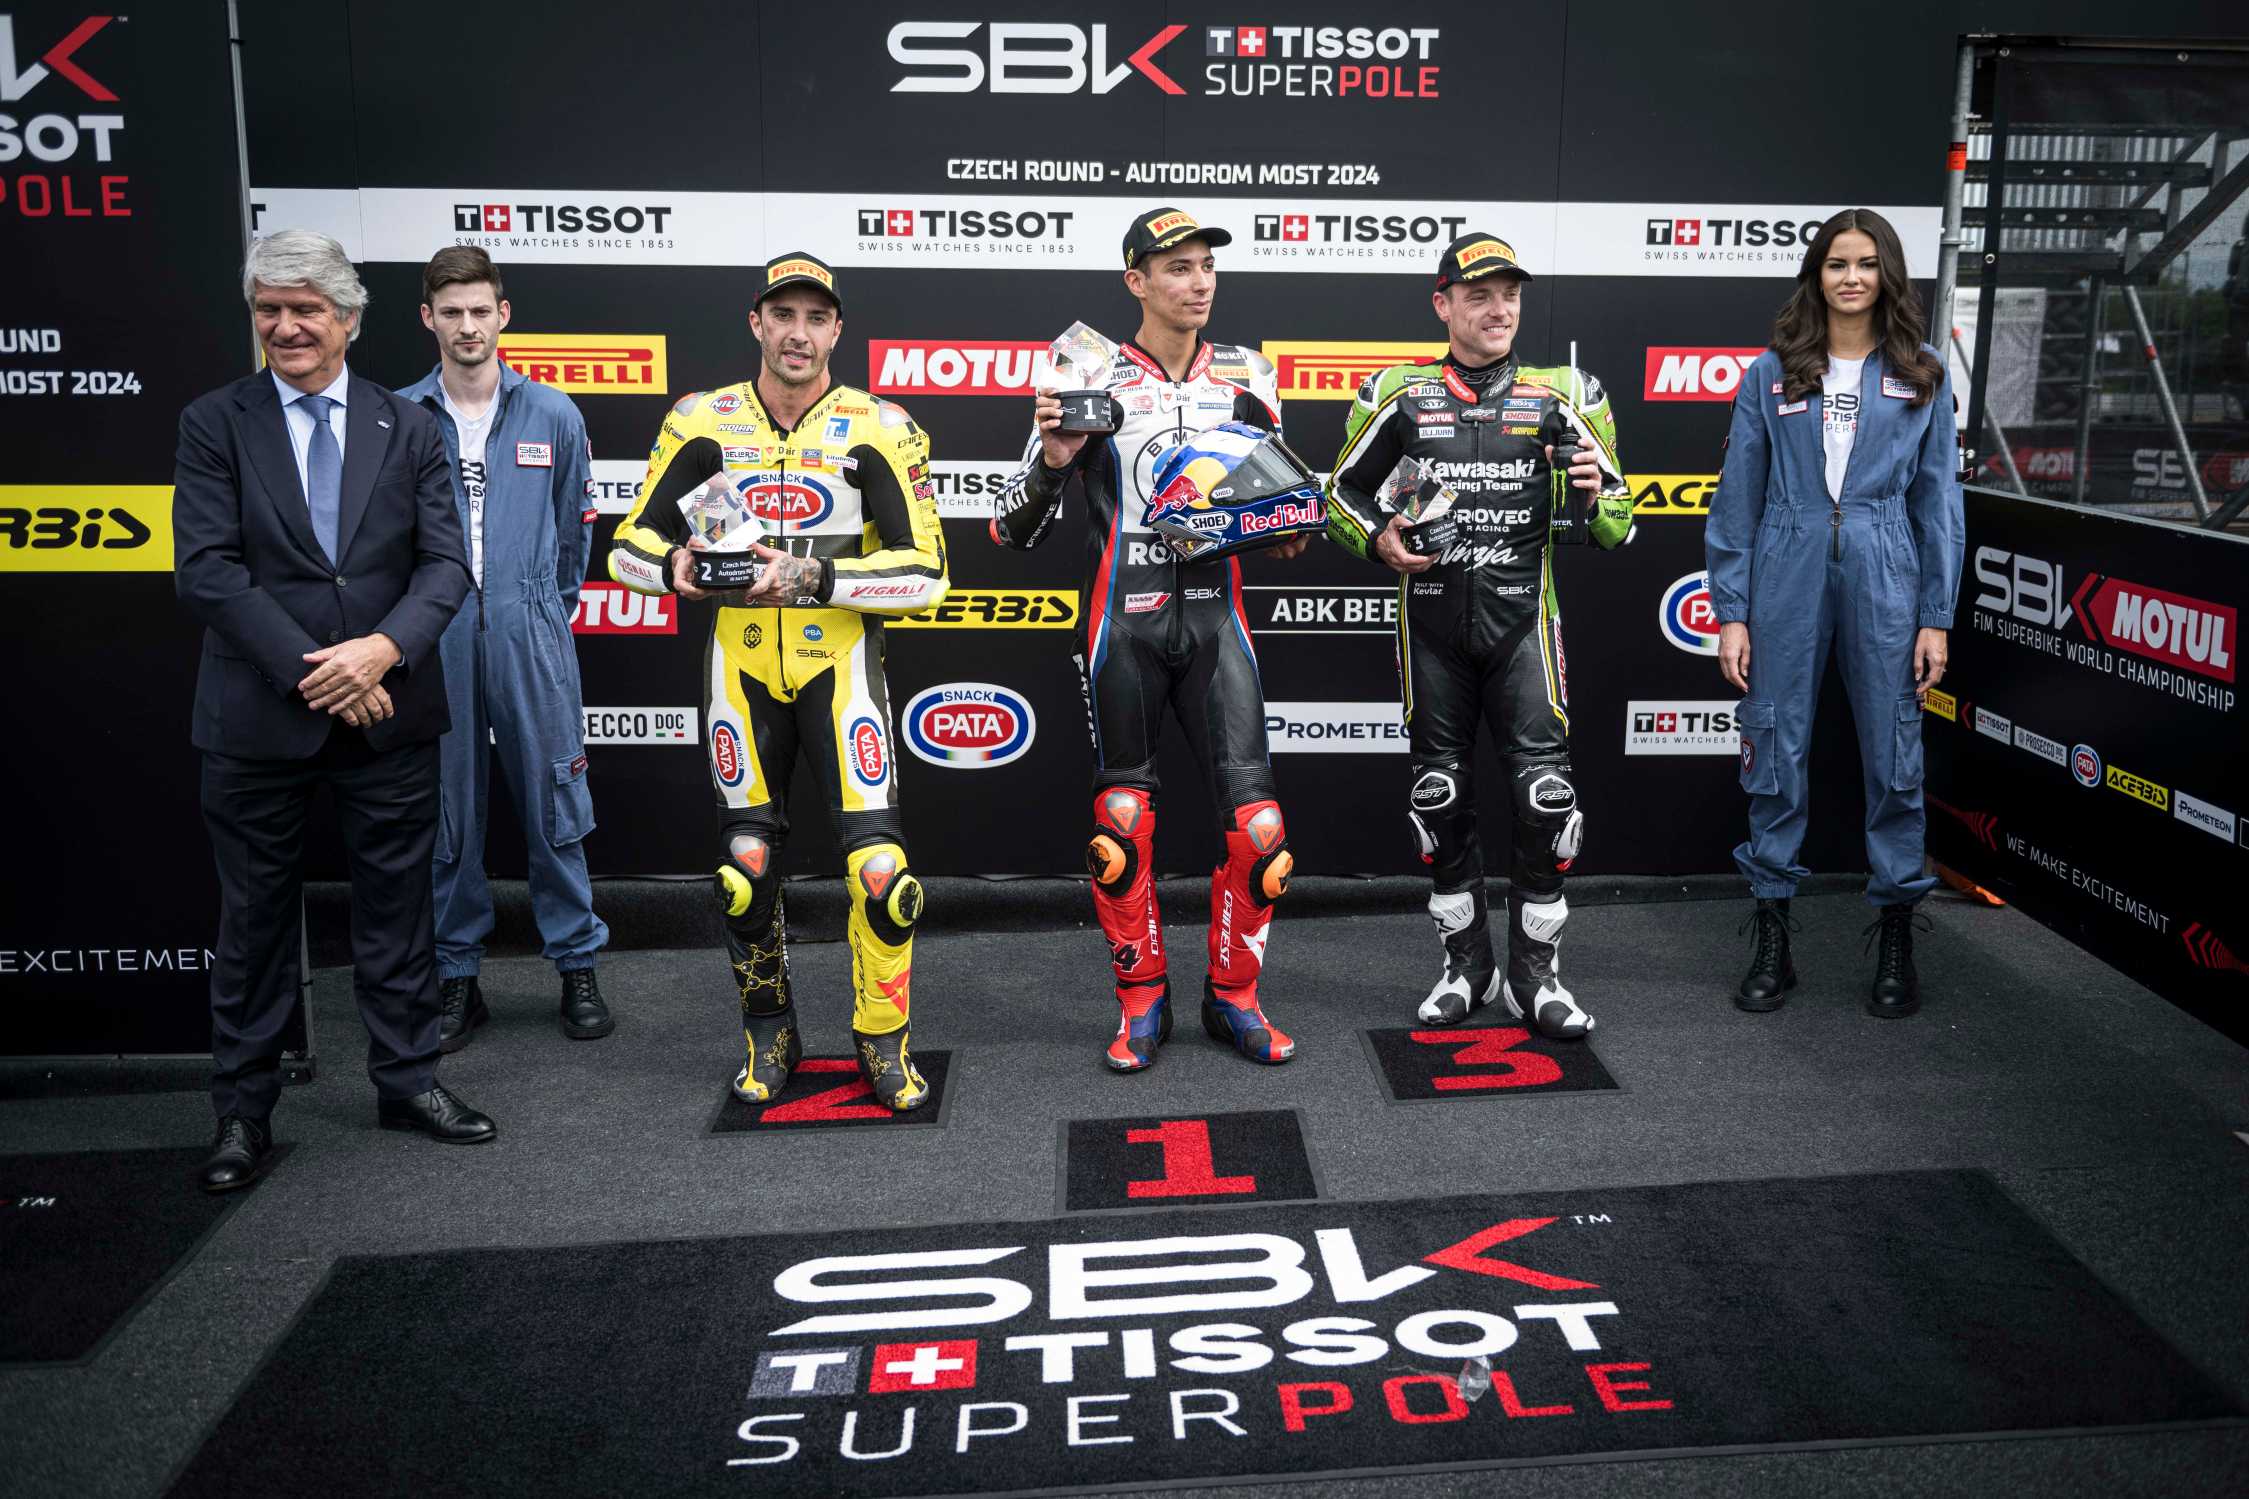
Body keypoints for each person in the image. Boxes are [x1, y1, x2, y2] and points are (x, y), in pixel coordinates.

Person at [175, 229, 493, 1193]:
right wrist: (319, 671)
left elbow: (446, 565)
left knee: (398, 914)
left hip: (390, 710)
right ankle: (242, 1112)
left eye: (305, 308)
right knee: (254, 925)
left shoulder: (412, 426)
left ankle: (409, 1081)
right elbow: (208, 571)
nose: (285, 326)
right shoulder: (214, 421)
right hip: (258, 718)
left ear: (347, 318)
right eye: (268, 309)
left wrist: (381, 651)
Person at [608, 253, 947, 1110]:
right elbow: (627, 547)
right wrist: (674, 568)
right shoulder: (701, 419)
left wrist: (811, 577)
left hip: (841, 667)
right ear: (755, 322)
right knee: (743, 869)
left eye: (815, 317)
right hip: (742, 664)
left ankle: (882, 1037)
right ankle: (770, 1030)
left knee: (881, 873)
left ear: (837, 329)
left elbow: (927, 575)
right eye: (783, 315)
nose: (798, 333)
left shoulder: (880, 424)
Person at [994, 206, 1308, 1073]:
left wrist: (1284, 525)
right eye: (1177, 267)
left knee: (1260, 831)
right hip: (1119, 627)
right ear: (1135, 281)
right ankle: (1141, 1001)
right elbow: (1011, 528)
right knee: (1121, 822)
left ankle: (1235, 997)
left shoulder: (1247, 374)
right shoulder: (1086, 371)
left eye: (1206, 266)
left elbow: (1281, 511)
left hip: (1216, 623)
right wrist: (1054, 459)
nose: (1198, 282)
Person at [1326, 233, 1630, 1039]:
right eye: (1479, 295)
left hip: (1522, 626)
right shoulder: (1396, 392)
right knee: (1439, 799)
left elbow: (1617, 525)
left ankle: (1535, 977)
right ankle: (1466, 966)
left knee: (1544, 800)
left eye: (1510, 295)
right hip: (1430, 628)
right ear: (1443, 303)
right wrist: (1378, 541)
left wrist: (1593, 493)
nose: (1499, 310)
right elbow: (1339, 496)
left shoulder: (1566, 392)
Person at [1705, 207, 1964, 1018]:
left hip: (1886, 566)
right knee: (1774, 742)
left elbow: (1938, 502)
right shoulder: (1771, 371)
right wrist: (1732, 610)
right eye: (1835, 263)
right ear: (1815, 275)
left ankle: (1895, 934)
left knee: (1893, 750)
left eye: (1865, 263)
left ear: (1887, 274)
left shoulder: (1922, 371)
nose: (1851, 277)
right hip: (1786, 559)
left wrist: (1934, 614)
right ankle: (1772, 939)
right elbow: (1736, 497)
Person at [397, 247, 611, 1052]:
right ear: (428, 318)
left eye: (480, 310)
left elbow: (573, 537)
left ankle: (577, 963)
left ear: (503, 315)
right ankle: (457, 972)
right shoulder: (400, 415)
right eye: (451, 312)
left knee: (556, 801)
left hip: (530, 626)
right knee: (448, 811)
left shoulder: (552, 413)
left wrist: (539, 612)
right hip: (434, 635)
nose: (467, 326)